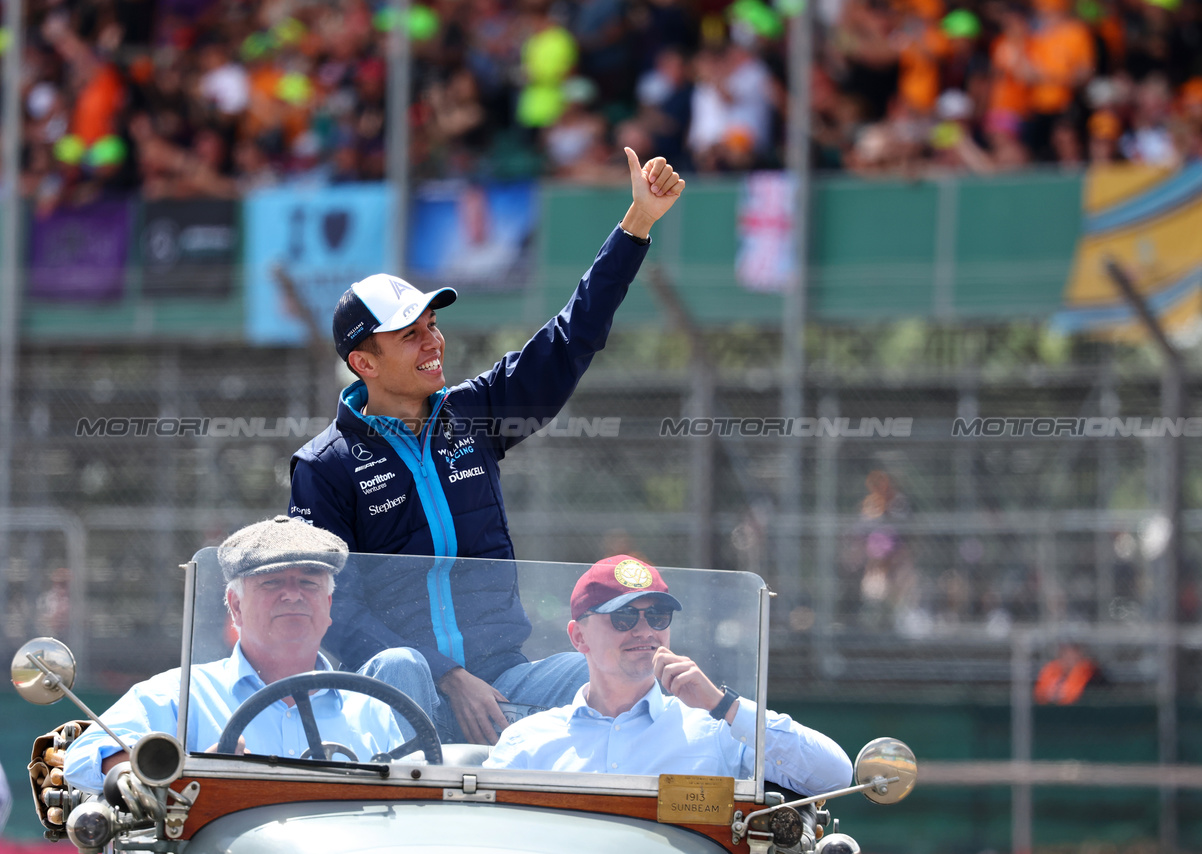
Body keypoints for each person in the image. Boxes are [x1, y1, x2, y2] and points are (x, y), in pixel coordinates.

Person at [288, 147, 685, 746]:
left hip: (503, 681)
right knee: (402, 666)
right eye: (411, 335)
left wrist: (638, 224)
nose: (433, 342)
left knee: (606, 671)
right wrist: (447, 676)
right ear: (364, 362)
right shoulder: (324, 466)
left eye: (433, 326)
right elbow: (329, 609)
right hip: (398, 692)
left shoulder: (472, 415)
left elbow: (570, 339)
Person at [63, 516, 431, 793]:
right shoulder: (181, 694)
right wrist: (183, 775)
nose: (292, 594)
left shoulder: (371, 709)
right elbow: (84, 759)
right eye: (272, 582)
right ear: (235, 607)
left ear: (329, 604)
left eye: (308, 582)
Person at [484, 556, 854, 797]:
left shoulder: (713, 728)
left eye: (658, 617)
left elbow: (834, 775)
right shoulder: (528, 742)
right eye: (624, 617)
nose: (645, 630)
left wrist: (721, 704)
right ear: (579, 636)